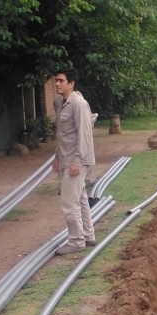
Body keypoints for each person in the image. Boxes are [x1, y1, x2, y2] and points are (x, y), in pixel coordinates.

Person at [51, 68, 97, 255]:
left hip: (76, 161)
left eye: (61, 81)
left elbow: (84, 135)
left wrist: (76, 162)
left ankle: (76, 241)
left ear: (71, 83)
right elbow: (62, 135)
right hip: (66, 159)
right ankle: (88, 235)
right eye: (56, 80)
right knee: (81, 199)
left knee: (70, 204)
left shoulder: (78, 104)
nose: (57, 84)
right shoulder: (60, 102)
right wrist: (57, 158)